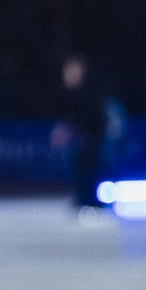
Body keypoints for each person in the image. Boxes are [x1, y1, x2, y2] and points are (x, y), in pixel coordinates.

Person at [54, 54, 107, 213]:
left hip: (91, 137)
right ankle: (83, 198)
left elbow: (88, 117)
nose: (67, 76)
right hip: (86, 138)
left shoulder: (86, 92)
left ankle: (88, 199)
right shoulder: (74, 93)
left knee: (88, 167)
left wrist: (69, 131)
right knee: (82, 166)